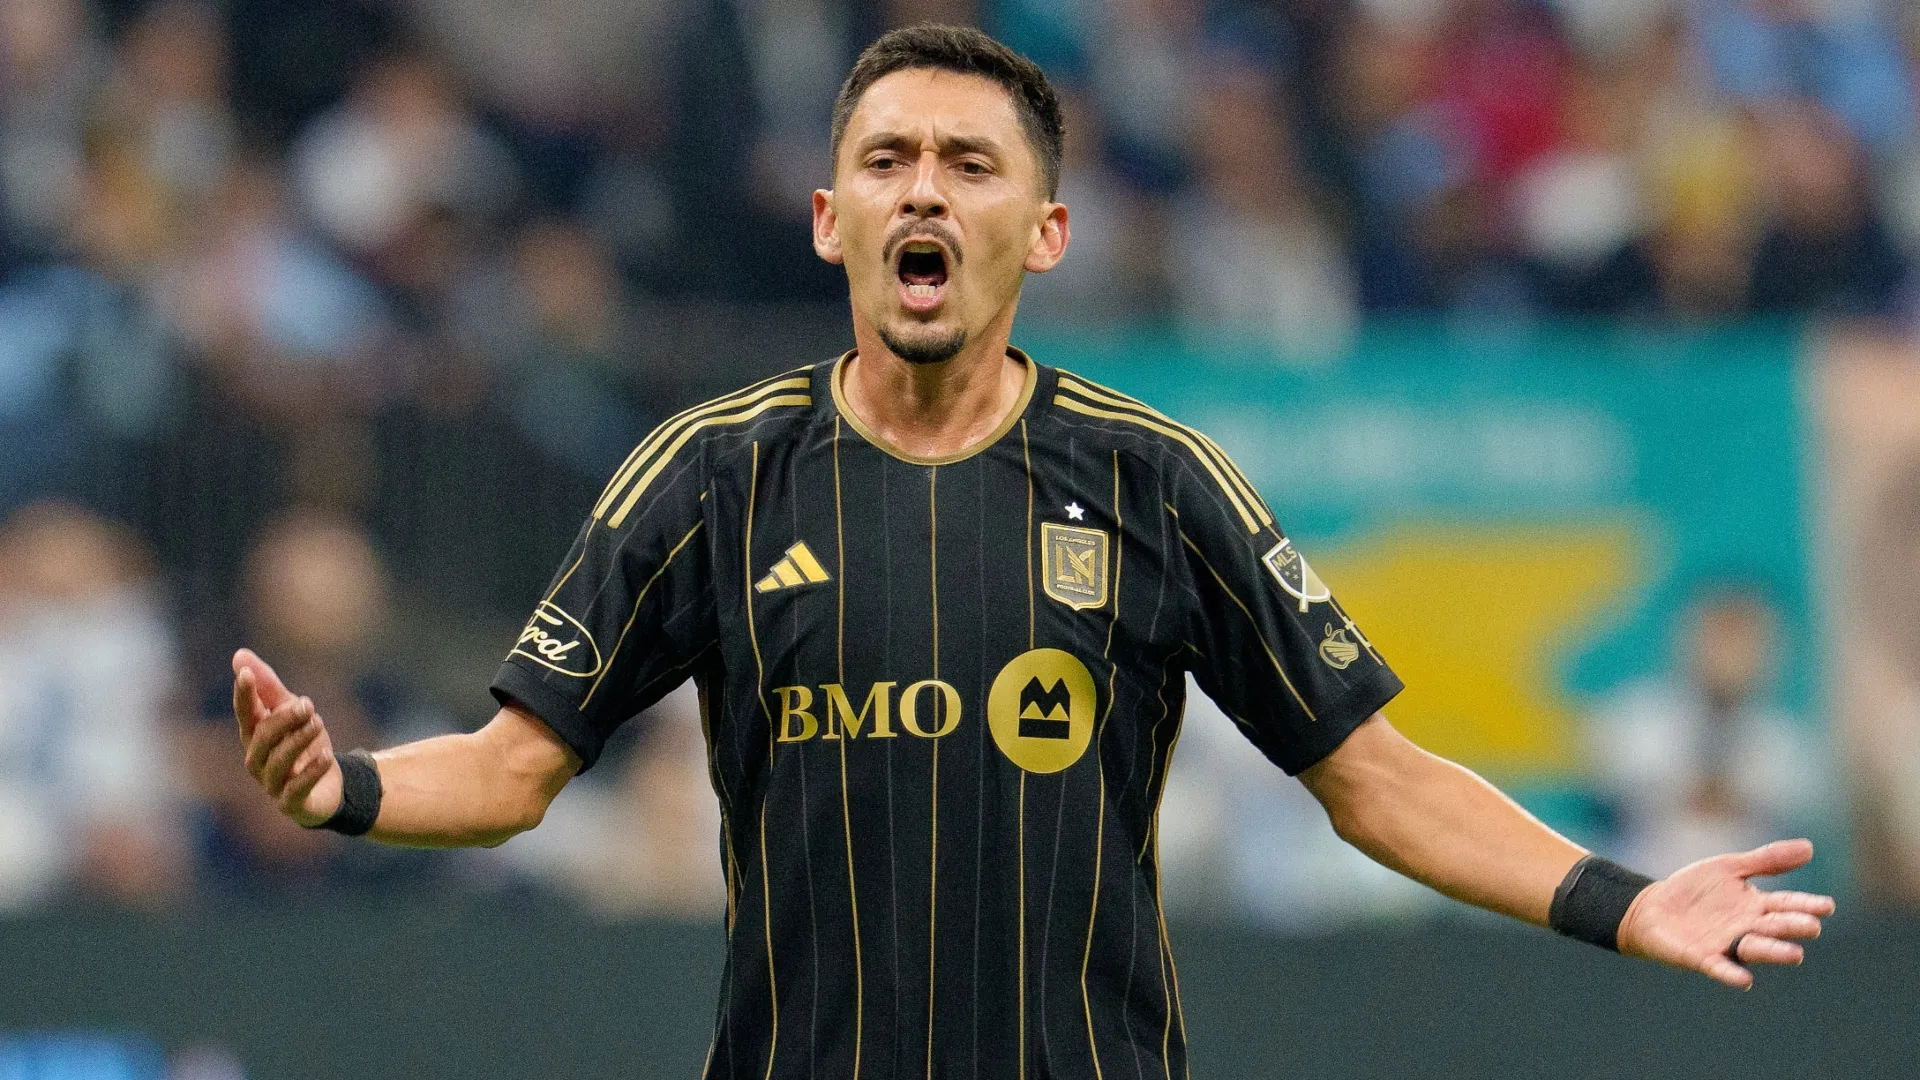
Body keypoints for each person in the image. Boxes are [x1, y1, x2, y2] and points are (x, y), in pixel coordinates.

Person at [230, 25, 1834, 1079]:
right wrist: (345, 788)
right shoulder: (711, 476)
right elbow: (515, 771)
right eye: (887, 161)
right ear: (828, 220)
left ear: (1045, 231)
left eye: (970, 163)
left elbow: (1378, 780)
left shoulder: (1155, 480)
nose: (924, 189)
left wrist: (1621, 901)